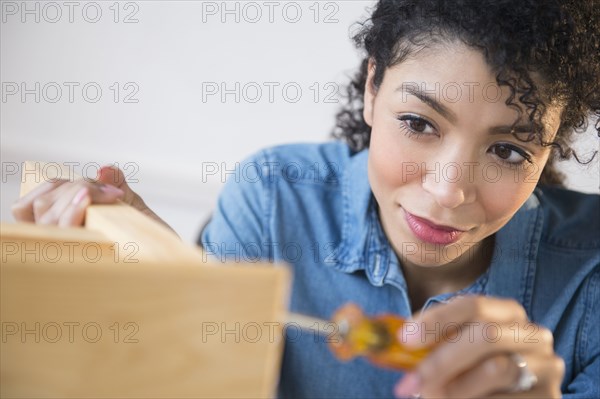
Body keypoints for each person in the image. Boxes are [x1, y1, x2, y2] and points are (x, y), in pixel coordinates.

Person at [12, 0, 599, 398]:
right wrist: (149, 275)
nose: (448, 191)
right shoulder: (272, 199)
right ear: (373, 88)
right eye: (419, 123)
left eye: (510, 152)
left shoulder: (591, 283)